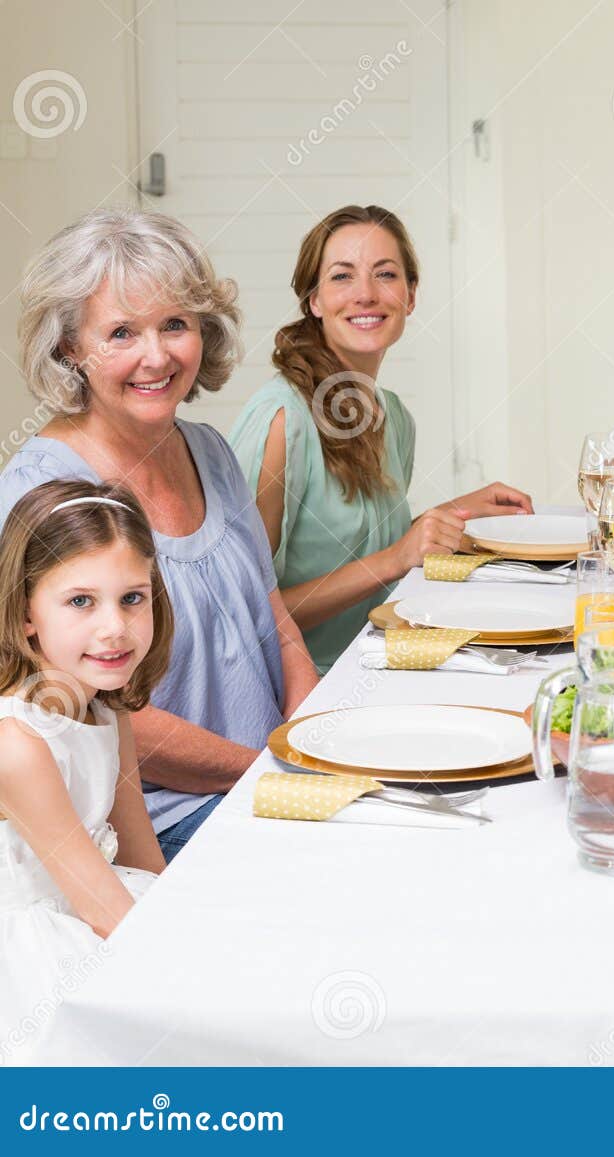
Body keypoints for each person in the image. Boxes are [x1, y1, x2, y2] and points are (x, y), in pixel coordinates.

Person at [3, 208, 318, 858]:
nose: (156, 355)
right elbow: (85, 703)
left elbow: (274, 617)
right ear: (69, 349)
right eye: (121, 332)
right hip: (158, 823)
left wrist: (312, 741)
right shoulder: (42, 490)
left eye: (174, 324)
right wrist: (261, 768)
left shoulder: (210, 450)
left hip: (265, 780)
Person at [229, 205, 532, 672]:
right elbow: (245, 616)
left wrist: (447, 515)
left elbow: (364, 549)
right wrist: (396, 558)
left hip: (385, 662)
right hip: (302, 690)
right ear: (314, 301)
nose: (366, 295)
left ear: (410, 296)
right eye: (342, 277)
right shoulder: (280, 420)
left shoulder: (395, 417)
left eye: (385, 274)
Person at [0, 481, 171, 1061]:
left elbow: (143, 859)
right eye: (80, 601)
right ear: (26, 615)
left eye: (132, 597)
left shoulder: (106, 710)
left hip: (104, 900)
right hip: (36, 948)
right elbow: (104, 912)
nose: (114, 628)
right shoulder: (17, 743)